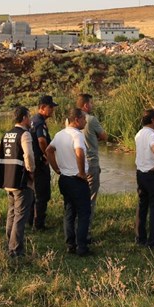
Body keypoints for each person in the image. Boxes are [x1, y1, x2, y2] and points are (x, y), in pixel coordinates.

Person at [0, 106, 36, 258]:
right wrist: (31, 171)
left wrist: (4, 168)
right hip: (22, 182)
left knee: (11, 213)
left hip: (8, 181)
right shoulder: (25, 135)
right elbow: (29, 155)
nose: (30, 120)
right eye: (29, 117)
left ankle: (9, 244)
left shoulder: (7, 134)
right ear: (24, 118)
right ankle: (15, 251)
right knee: (20, 216)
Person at [46, 107, 91, 256]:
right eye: (84, 119)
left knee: (69, 212)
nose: (85, 121)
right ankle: (82, 247)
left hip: (64, 178)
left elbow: (49, 150)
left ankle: (70, 244)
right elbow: (79, 152)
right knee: (84, 213)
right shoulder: (77, 135)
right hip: (77, 179)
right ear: (77, 120)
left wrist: (56, 168)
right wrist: (82, 173)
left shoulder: (60, 134)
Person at [134, 108, 154, 249]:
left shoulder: (139, 133)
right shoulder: (153, 134)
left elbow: (147, 149)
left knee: (142, 206)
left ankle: (140, 238)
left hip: (140, 174)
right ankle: (153, 242)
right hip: (152, 175)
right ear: (152, 120)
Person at [77, 93, 108, 214]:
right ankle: (86, 230)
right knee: (90, 198)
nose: (92, 105)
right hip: (91, 161)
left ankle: (76, 226)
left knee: (79, 196)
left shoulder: (69, 119)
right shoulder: (91, 119)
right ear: (85, 105)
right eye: (91, 103)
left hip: (76, 162)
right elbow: (104, 136)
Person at [30, 95, 57, 230]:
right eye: (50, 107)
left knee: (33, 193)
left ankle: (31, 221)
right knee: (42, 193)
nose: (52, 110)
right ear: (42, 107)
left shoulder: (33, 120)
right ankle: (38, 224)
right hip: (40, 163)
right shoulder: (39, 121)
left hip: (33, 163)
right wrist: (47, 155)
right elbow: (41, 140)